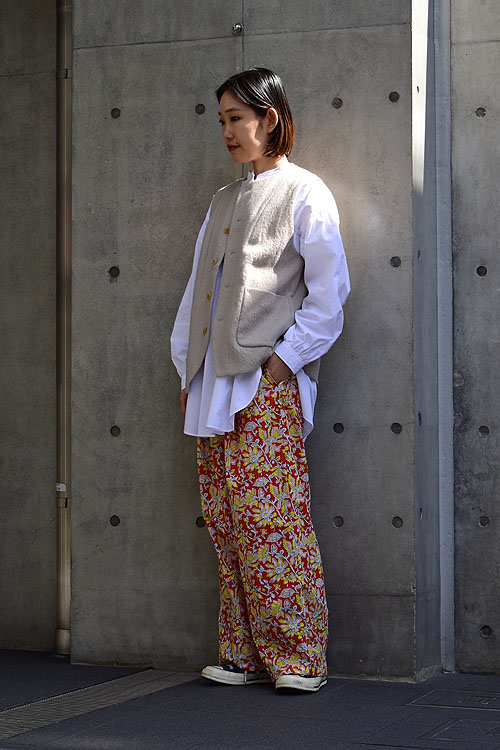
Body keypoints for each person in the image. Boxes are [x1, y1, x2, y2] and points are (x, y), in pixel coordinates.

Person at [170, 68, 350, 693]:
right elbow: (198, 292)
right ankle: (243, 654)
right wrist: (187, 369)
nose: (226, 131)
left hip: (262, 382)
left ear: (270, 118)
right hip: (211, 384)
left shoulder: (305, 191)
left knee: (273, 520)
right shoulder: (224, 199)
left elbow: (330, 294)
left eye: (236, 118)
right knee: (226, 523)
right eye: (221, 120)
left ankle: (299, 656)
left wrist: (284, 361)